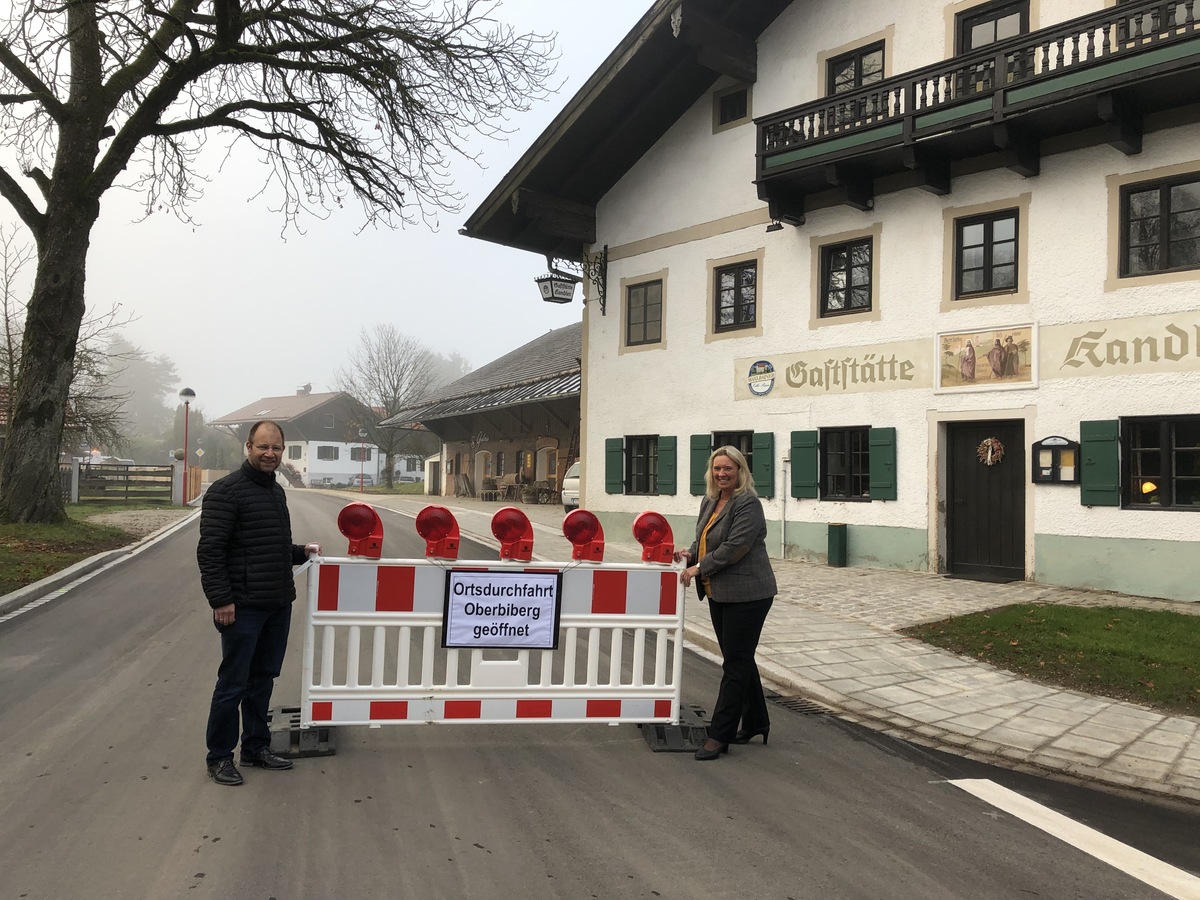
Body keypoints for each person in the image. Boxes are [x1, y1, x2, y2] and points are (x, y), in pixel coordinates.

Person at [198, 420, 321, 786]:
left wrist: (301, 552)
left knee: (262, 681)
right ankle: (219, 756)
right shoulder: (226, 492)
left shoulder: (275, 492)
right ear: (248, 447)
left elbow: (270, 546)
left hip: (276, 603)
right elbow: (211, 552)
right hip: (242, 608)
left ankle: (255, 747)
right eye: (263, 447)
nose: (270, 454)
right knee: (232, 684)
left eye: (277, 449)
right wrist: (221, 600)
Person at [674, 446, 777, 761]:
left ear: (740, 471)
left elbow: (735, 547)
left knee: (734, 664)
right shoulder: (710, 499)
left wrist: (698, 568)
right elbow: (704, 538)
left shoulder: (748, 504)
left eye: (728, 469)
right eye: (717, 469)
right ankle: (757, 722)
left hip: (750, 594)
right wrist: (689, 554)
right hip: (719, 592)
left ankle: (720, 735)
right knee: (740, 658)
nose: (722, 474)